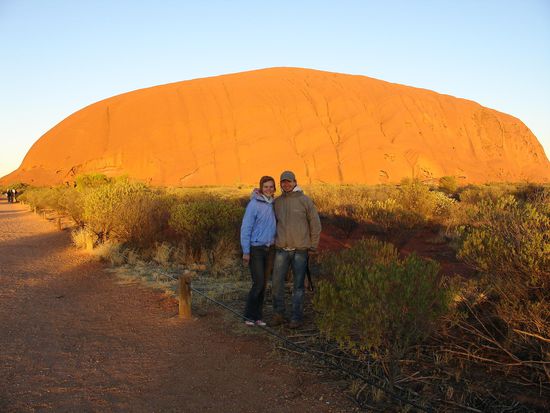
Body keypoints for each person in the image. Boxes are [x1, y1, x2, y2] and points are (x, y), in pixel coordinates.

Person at [271, 170, 321, 329]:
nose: (286, 184)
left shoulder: (305, 200)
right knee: (277, 283)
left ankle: (296, 317)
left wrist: (313, 245)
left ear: (295, 182)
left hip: (300, 249)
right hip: (281, 249)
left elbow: (315, 224)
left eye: (289, 181)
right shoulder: (277, 202)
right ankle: (279, 314)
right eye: (283, 182)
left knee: (298, 286)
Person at [240, 176, 277, 327]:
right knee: (258, 282)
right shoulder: (254, 204)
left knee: (264, 284)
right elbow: (246, 228)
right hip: (256, 249)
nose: (268, 189)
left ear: (274, 189)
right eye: (266, 186)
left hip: (269, 249)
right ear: (261, 188)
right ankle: (249, 315)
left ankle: (258, 317)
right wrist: (246, 251)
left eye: (271, 187)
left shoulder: (274, 204)